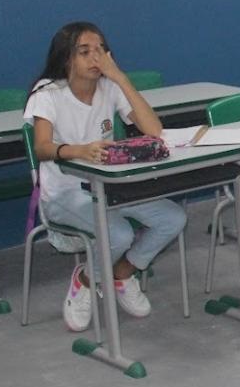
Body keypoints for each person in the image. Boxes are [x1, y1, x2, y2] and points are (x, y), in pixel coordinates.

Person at [24, 21, 187, 331]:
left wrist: (120, 77)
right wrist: (79, 151)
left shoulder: (110, 87)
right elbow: (43, 148)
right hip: (64, 194)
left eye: (100, 50)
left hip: (110, 187)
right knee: (119, 234)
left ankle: (122, 273)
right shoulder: (47, 93)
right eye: (85, 52)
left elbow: (154, 130)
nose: (95, 58)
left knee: (173, 218)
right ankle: (85, 280)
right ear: (66, 59)